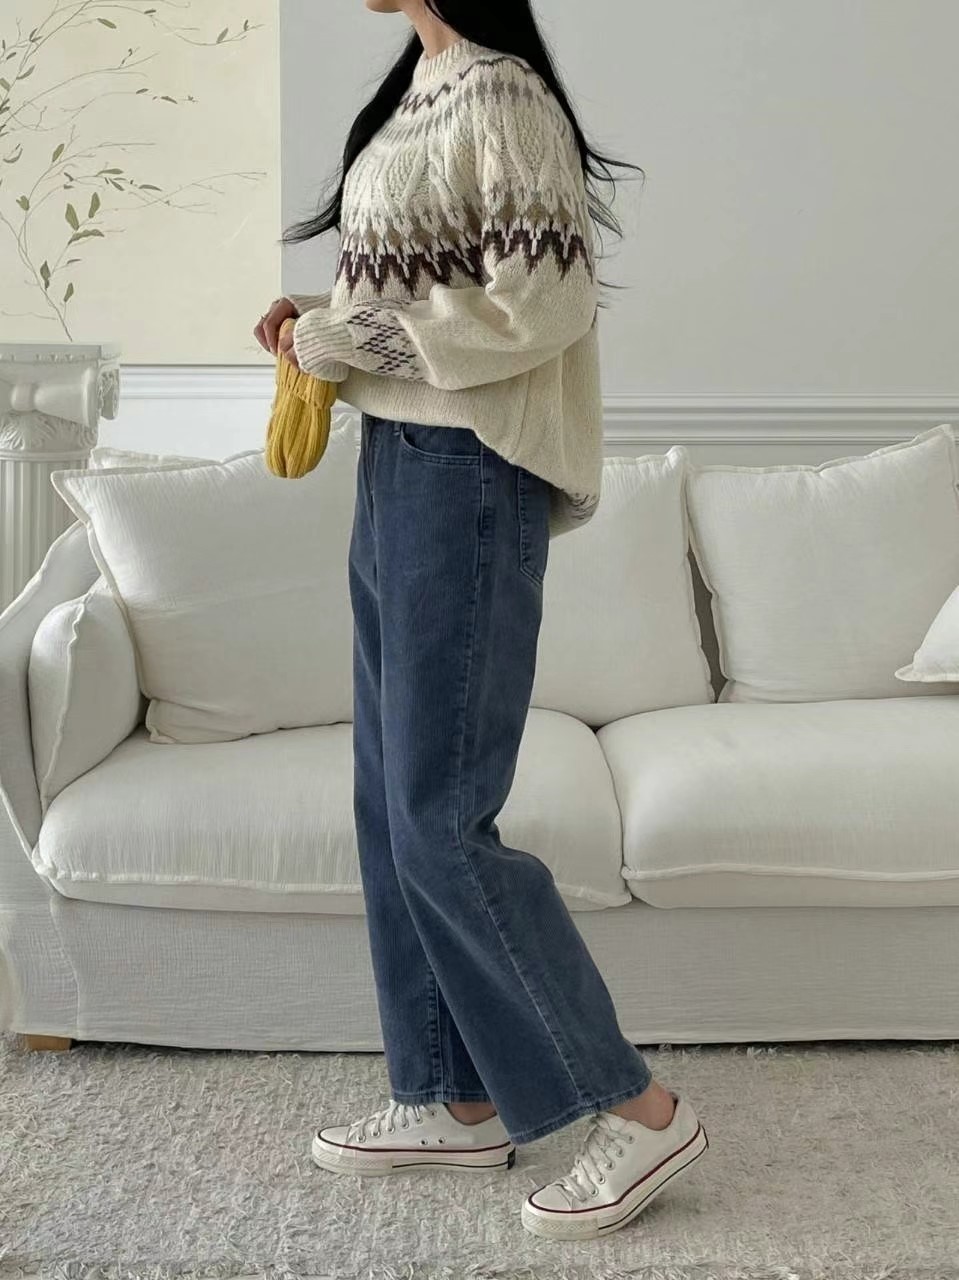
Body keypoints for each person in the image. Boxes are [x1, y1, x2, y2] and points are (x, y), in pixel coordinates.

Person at [253, 0, 708, 1242]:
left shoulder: (501, 95)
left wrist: (350, 332)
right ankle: (454, 1098)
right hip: (398, 462)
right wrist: (322, 322)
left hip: (464, 471)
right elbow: (430, 289)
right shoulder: (420, 87)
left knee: (437, 817)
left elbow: (539, 304)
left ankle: (640, 1108)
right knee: (389, 803)